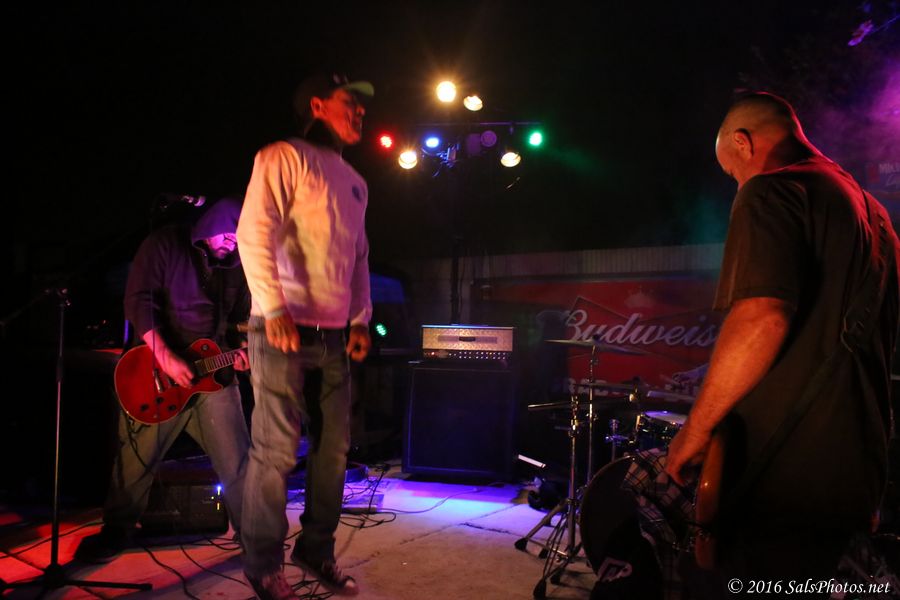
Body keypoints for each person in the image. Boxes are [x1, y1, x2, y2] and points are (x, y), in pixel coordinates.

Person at [664, 93, 900, 592]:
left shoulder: (773, 190)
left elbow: (762, 318)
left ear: (742, 143)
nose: (737, 185)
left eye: (732, 172)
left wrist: (694, 431)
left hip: (782, 478)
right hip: (857, 471)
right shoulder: (878, 221)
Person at [236, 73, 374, 599]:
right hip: (282, 328)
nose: (359, 111)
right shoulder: (283, 156)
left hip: (334, 335)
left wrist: (359, 319)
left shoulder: (356, 180)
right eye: (349, 102)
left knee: (333, 452)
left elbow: (358, 255)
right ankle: (262, 564)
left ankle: (316, 549)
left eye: (361, 105)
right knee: (275, 451)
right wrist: (273, 307)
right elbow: (254, 231)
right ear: (317, 105)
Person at [75, 197, 251, 562]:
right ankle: (117, 529)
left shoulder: (238, 265)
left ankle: (253, 537)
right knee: (135, 459)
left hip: (213, 375)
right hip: (157, 370)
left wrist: (241, 350)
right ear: (210, 224)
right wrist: (167, 357)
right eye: (227, 234)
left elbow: (238, 320)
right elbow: (139, 301)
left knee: (237, 458)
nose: (231, 242)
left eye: (238, 237)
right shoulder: (165, 243)